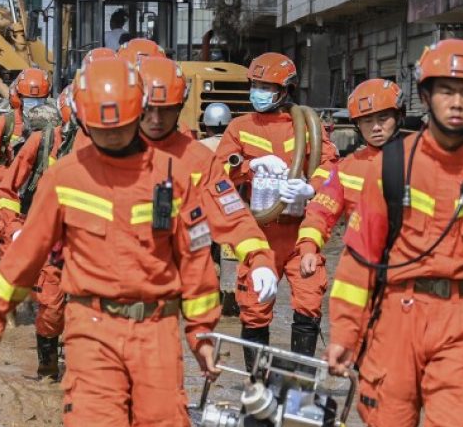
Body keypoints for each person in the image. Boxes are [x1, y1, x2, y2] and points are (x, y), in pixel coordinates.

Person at [0, 57, 252, 427]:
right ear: (82, 120)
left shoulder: (173, 178)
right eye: (99, 130)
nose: (110, 138)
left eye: (120, 127)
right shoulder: (63, 178)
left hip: (154, 328)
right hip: (91, 325)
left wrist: (201, 334)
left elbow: (196, 261)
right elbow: (25, 255)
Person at [325, 40, 463, 427]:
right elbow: (359, 258)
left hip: (458, 318)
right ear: (426, 96)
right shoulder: (392, 164)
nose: (458, 103)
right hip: (398, 319)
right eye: (448, 91)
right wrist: (344, 335)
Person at [207, 52, 338, 365]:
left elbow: (330, 165)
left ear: (285, 90)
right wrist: (250, 166)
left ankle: (301, 381)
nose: (258, 92)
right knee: (253, 305)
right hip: (259, 232)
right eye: (255, 84)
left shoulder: (307, 125)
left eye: (266, 86)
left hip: (299, 230)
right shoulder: (240, 127)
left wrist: (311, 187)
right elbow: (217, 173)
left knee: (309, 299)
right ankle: (258, 381)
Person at [138, 56, 279, 297]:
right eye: (148, 110)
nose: (156, 120)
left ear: (180, 106)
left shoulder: (199, 160)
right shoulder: (103, 156)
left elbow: (232, 214)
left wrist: (259, 259)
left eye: (166, 110)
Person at [0, 87, 78, 378]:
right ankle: (48, 366)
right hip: (49, 239)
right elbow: (7, 189)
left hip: (92, 245)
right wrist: (16, 230)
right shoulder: (41, 142)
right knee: (51, 307)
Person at [296, 79, 404, 277]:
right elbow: (320, 211)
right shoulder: (347, 168)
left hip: (410, 267)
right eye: (367, 121)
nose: (376, 127)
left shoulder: (420, 162)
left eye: (383, 118)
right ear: (357, 125)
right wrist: (309, 248)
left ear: (398, 117)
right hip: (361, 268)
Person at [0, 67, 50, 188]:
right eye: (29, 99)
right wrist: (10, 176)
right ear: (18, 97)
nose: (35, 104)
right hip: (11, 192)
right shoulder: (3, 123)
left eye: (39, 100)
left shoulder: (53, 125)